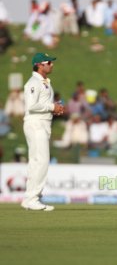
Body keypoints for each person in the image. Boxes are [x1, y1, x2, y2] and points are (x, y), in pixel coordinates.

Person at [21, 52, 64, 211]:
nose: (52, 65)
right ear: (39, 65)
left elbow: (42, 104)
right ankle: (33, 198)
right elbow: (31, 106)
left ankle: (30, 199)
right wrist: (52, 107)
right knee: (42, 161)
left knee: (36, 162)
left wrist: (54, 108)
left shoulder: (44, 82)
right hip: (36, 124)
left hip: (42, 123)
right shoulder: (33, 82)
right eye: (49, 63)